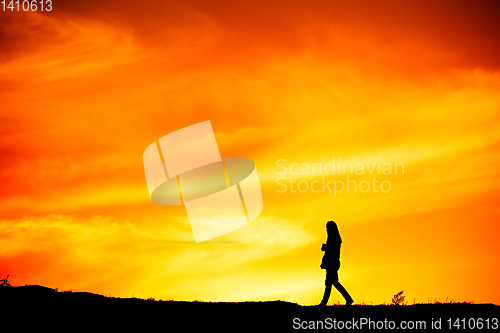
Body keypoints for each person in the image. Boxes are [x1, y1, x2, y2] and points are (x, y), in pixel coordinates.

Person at [319, 221, 353, 306]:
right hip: (331, 263)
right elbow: (328, 252)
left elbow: (332, 250)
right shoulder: (333, 238)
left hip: (333, 263)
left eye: (328, 228)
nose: (327, 230)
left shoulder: (335, 239)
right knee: (331, 283)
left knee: (331, 283)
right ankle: (348, 299)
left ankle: (348, 299)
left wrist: (325, 247)